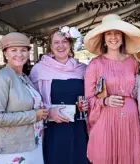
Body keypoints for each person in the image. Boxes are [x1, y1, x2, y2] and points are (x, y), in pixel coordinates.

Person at [84, 14, 140, 164]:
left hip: (130, 119)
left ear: (123, 37)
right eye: (109, 33)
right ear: (103, 38)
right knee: (105, 156)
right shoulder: (95, 64)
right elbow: (89, 98)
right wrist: (105, 101)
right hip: (106, 117)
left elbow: (138, 90)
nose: (113, 37)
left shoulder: (132, 61)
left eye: (117, 33)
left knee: (128, 157)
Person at [0, 32, 49, 164]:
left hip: (32, 143)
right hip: (13, 149)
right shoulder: (1, 79)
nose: (19, 54)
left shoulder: (24, 77)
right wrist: (33, 115)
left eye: (23, 50)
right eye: (14, 50)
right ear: (5, 54)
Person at [29, 26, 89, 164]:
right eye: (56, 42)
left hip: (78, 129)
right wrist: (48, 112)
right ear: (50, 46)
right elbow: (32, 101)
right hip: (52, 129)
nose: (60, 46)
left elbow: (91, 96)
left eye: (64, 42)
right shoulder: (39, 70)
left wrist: (87, 104)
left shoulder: (82, 69)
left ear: (71, 44)